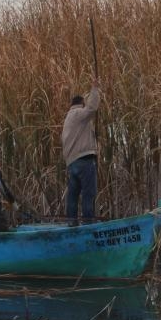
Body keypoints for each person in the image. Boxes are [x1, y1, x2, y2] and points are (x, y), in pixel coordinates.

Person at [61, 79, 100, 225]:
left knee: (73, 195)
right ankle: (88, 223)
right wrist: (94, 89)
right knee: (88, 194)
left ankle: (72, 222)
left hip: (72, 163)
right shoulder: (78, 114)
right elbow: (92, 108)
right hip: (84, 161)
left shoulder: (68, 118)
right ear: (81, 104)